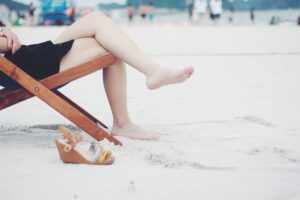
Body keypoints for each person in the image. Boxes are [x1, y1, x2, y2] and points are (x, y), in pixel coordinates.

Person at [0, 12, 194, 140]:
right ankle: (125, 119)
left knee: (97, 21)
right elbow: (7, 45)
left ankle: (129, 113)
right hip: (22, 67)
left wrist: (4, 30)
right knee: (109, 45)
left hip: (25, 59)